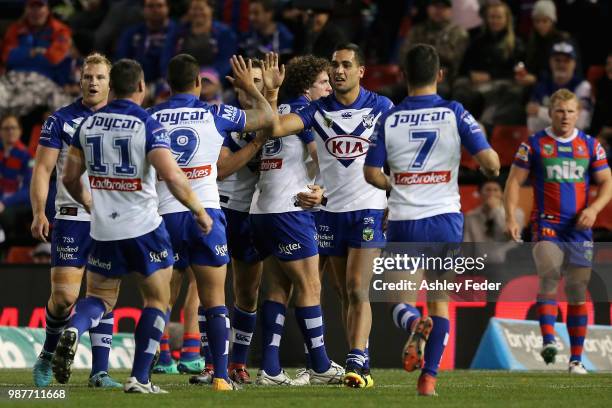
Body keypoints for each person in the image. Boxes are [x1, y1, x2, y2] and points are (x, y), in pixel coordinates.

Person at [52, 58, 212, 394]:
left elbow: (67, 177)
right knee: (158, 300)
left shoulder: (88, 125)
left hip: (102, 229)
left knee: (98, 297)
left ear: (113, 88)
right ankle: (140, 378)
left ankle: (74, 330)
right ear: (141, 87)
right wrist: (199, 209)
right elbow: (172, 175)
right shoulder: (148, 124)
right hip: (143, 228)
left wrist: (88, 203)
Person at [364, 44, 499, 396]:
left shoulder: (389, 118)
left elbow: (370, 172)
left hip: (405, 219)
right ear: (440, 75)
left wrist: (395, 184)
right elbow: (492, 163)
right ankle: (429, 380)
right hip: (444, 220)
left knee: (398, 299)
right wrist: (483, 163)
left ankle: (412, 321)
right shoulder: (455, 113)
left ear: (405, 75)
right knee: (440, 300)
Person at [267, 43, 393, 388]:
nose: (338, 71)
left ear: (360, 71)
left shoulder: (382, 107)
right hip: (328, 212)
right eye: (335, 65)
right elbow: (276, 128)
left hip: (369, 208)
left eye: (346, 65)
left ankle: (357, 358)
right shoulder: (317, 109)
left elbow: (398, 157)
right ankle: (356, 358)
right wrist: (271, 90)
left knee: (356, 286)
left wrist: (395, 199)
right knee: (341, 291)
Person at [148, 53, 273, 390]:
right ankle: (220, 376)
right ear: (199, 84)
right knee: (214, 298)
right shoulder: (215, 112)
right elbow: (266, 117)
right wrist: (252, 88)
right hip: (205, 212)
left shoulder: (151, 117)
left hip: (161, 216)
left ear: (167, 85)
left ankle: (142, 374)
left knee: (157, 300)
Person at [504, 88, 612, 374]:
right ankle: (549, 338)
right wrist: (511, 217)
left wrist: (594, 209)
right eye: (560, 111)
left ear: (579, 114)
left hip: (578, 228)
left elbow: (607, 181)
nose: (565, 117)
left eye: (570, 111)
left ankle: (576, 360)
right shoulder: (535, 145)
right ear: (550, 113)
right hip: (547, 224)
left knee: (577, 289)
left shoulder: (590, 146)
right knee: (549, 275)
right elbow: (514, 181)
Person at [29, 53, 120, 389]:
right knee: (65, 298)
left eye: (99, 77)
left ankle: (100, 372)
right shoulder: (61, 120)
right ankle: (47, 354)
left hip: (111, 219)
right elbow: (42, 170)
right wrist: (40, 211)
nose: (93, 82)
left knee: (103, 295)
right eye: (87, 77)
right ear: (80, 81)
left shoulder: (122, 118)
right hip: (71, 217)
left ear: (110, 82)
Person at [187, 58, 270, 386]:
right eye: (248, 82)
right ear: (238, 86)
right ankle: (211, 365)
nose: (253, 88)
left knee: (248, 293)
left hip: (252, 213)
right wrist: (256, 144)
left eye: (259, 82)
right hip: (221, 210)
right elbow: (222, 168)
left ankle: (237, 364)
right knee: (212, 294)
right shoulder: (222, 117)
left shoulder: (271, 118)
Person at [253, 53, 335, 386]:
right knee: (310, 286)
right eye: (323, 82)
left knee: (277, 288)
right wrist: (324, 190)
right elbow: (320, 157)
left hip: (262, 209)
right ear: (307, 87)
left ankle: (270, 369)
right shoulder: (307, 112)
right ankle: (319, 365)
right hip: (290, 209)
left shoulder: (278, 111)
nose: (329, 88)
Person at [398, 0, 469, 97]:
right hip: (413, 78)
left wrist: (421, 51)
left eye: (443, 7)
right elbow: (403, 55)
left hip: (443, 79)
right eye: (435, 6)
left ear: (450, 10)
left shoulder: (458, 33)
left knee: (441, 91)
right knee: (386, 92)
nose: (438, 10)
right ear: (428, 8)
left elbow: (455, 60)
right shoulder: (416, 30)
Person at [1, 0, 72, 85]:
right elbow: (7, 58)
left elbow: (55, 59)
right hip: (14, 79)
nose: (36, 12)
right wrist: (32, 52)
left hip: (46, 81)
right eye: (32, 7)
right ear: (26, 10)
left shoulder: (61, 30)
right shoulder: (15, 29)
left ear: (47, 10)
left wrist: (21, 55)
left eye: (39, 6)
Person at [527, 41, 592, 134]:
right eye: (557, 60)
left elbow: (581, 123)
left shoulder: (583, 86)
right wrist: (568, 117)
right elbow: (533, 122)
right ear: (550, 62)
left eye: (566, 61)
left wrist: (541, 112)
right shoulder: (541, 85)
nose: (561, 64)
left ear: (574, 63)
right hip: (545, 143)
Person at [163, 0, 237, 78]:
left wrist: (207, 77)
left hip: (211, 80)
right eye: (194, 9)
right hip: (182, 79)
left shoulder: (225, 33)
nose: (197, 13)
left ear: (211, 9)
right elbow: (167, 59)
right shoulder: (178, 32)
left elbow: (225, 62)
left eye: (201, 9)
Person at [115, 0, 178, 84]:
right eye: (150, 6)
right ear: (143, 9)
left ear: (168, 8)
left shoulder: (178, 33)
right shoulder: (131, 33)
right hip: (134, 85)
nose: (155, 10)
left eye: (159, 6)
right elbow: (120, 62)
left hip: (168, 86)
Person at [0, 114, 33, 248]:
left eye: (13, 128)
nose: (10, 131)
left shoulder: (28, 155)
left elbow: (28, 190)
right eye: (6, 128)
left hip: (18, 202)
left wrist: (3, 202)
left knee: (6, 216)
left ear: (20, 131)